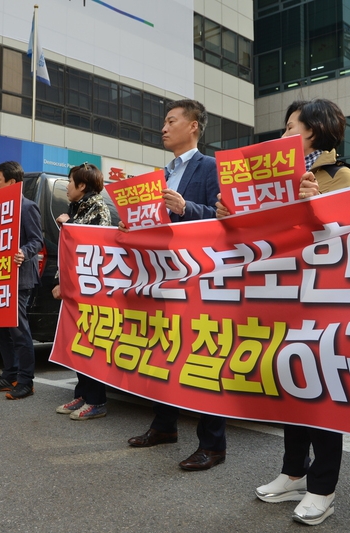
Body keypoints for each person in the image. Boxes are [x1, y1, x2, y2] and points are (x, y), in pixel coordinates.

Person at [248, 98, 350, 526]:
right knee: (291, 386)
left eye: (290, 127)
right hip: (284, 298)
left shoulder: (339, 176)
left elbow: (347, 239)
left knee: (322, 392)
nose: (282, 135)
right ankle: (294, 472)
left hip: (325, 301)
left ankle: (322, 487)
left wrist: (314, 204)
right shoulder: (274, 180)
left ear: (314, 130)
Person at [123, 99, 226, 472]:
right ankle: (164, 426)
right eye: (163, 122)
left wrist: (186, 208)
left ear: (194, 126)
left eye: (171, 121)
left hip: (199, 276)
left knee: (204, 355)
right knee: (164, 352)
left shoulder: (210, 167)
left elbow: (223, 215)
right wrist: (131, 225)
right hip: (165, 275)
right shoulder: (163, 173)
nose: (163, 128)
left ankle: (213, 444)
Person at [52, 163, 113, 419]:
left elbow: (91, 246)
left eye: (70, 181)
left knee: (92, 343)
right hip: (75, 288)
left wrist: (70, 224)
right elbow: (67, 253)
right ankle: (83, 394)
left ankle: (97, 401)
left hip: (91, 290)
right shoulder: (77, 206)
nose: (67, 186)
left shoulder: (98, 207)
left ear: (82, 185)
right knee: (77, 342)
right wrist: (61, 282)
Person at [0, 161, 44, 400]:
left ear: (12, 183)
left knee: (19, 331)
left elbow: (36, 240)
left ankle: (26, 381)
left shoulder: (27, 207)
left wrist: (23, 252)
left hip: (18, 278)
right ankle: (9, 374)